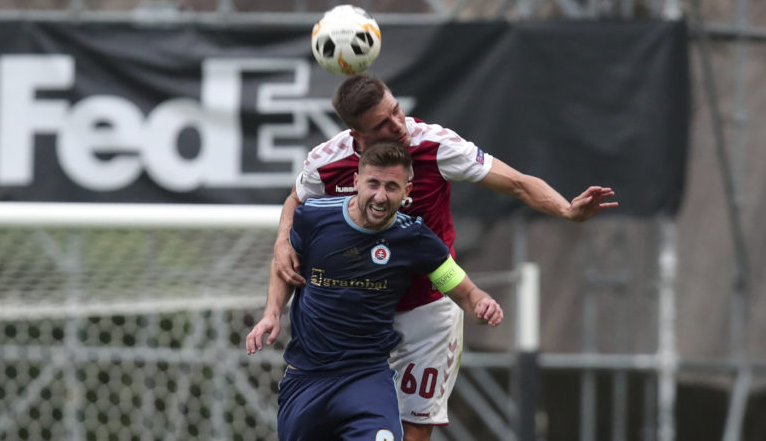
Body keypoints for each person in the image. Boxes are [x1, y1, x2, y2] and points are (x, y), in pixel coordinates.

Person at [272, 74, 619, 441]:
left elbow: (517, 182)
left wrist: (566, 209)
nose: (398, 125)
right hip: (358, 313)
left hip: (427, 310)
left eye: (396, 111)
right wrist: (282, 241)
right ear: (358, 137)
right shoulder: (327, 161)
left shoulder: (435, 145)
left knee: (412, 431)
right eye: (382, 124)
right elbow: (296, 199)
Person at [247, 141, 503, 441]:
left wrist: (481, 305)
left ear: (407, 191)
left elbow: (466, 292)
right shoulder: (313, 218)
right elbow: (284, 265)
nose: (380, 196)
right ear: (356, 181)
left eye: (391, 187)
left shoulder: (414, 237)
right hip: (306, 379)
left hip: (366, 379)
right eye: (373, 184)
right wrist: (271, 314)